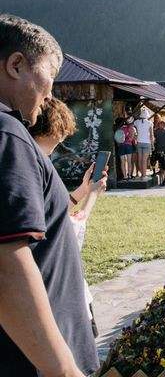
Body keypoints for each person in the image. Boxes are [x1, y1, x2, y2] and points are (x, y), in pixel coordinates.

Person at [0, 14, 99, 376]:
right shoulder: (7, 133)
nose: (50, 95)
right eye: (51, 77)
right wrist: (64, 370)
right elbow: (6, 265)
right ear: (16, 65)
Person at [29, 97, 107, 339]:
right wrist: (92, 195)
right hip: (54, 291)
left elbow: (52, 208)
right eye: (59, 138)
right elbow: (68, 227)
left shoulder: (29, 159)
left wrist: (83, 190)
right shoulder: (33, 163)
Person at [134, 108, 154, 178]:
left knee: (139, 159)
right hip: (147, 143)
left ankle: (141, 173)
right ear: (147, 116)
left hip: (139, 142)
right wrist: (153, 144)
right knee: (144, 160)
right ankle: (144, 175)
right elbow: (151, 135)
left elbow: (132, 126)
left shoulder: (136, 122)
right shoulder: (150, 123)